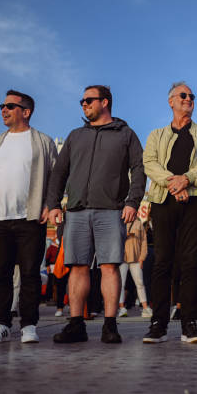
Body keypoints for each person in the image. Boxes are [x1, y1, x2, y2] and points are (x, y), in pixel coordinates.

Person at [47, 85, 146, 343]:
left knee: (110, 268)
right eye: (82, 100)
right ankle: (76, 324)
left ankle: (110, 326)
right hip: (77, 210)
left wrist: (132, 202)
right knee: (77, 267)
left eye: (89, 100)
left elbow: (139, 169)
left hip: (112, 210)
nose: (83, 104)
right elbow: (59, 172)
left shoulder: (126, 134)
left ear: (105, 102)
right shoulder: (76, 135)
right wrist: (54, 204)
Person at [143, 82, 197, 344]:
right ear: (171, 101)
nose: (188, 99)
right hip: (163, 200)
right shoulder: (156, 134)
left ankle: (189, 323)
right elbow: (149, 163)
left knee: (190, 261)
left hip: (194, 200)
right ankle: (158, 324)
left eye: (191, 96)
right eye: (183, 95)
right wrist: (173, 183)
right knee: (162, 260)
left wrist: (186, 180)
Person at [0, 90, 58, 344]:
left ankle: (28, 325)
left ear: (25, 112)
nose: (4, 110)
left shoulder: (42, 141)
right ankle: (1, 324)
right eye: (2, 105)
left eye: (10, 106)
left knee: (29, 274)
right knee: (1, 273)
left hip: (30, 218)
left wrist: (50, 204)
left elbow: (56, 178)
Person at [118, 218, 152, 319]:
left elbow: (144, 241)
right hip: (122, 257)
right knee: (121, 284)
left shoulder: (138, 223)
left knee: (140, 283)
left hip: (136, 258)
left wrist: (142, 258)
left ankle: (145, 308)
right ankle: (121, 308)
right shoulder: (118, 221)